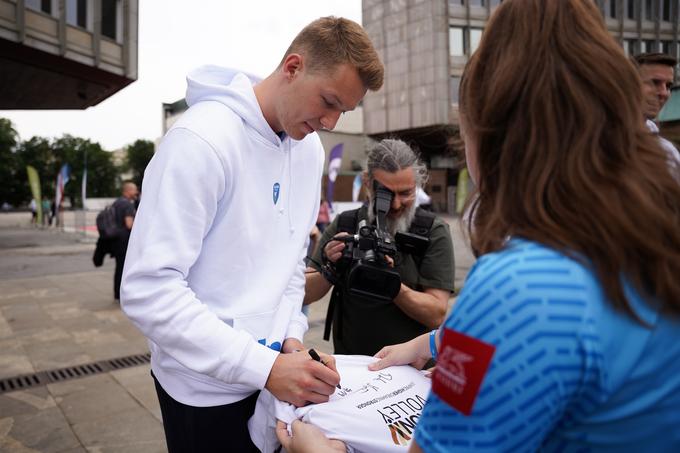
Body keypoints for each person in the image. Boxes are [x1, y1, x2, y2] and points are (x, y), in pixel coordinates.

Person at [283, 1, 680, 451]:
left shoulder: (516, 287)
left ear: (487, 137)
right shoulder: (655, 238)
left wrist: (316, 450)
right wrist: (435, 343)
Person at [120, 16, 383, 452]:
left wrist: (292, 338)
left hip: (273, 376)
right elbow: (149, 289)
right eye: (329, 101)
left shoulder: (308, 149)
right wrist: (263, 367)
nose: (332, 122)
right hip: (202, 390)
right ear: (293, 67)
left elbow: (290, 265)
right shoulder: (199, 140)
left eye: (344, 111)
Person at [304, 139, 455, 357]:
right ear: (367, 182)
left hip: (410, 368)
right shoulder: (346, 224)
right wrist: (332, 268)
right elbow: (304, 295)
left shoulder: (432, 230)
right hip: (352, 364)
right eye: (386, 193)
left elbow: (436, 314)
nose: (395, 204)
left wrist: (390, 283)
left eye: (406, 193)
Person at [633, 52, 680, 174]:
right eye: (655, 82)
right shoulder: (593, 138)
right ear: (628, 83)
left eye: (668, 86)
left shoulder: (667, 152)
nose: (664, 93)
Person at [112, 181, 138, 301]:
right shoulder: (127, 204)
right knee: (124, 268)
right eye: (134, 190)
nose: (136, 192)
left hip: (115, 239)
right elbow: (129, 224)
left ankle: (117, 293)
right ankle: (123, 294)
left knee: (118, 268)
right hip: (124, 240)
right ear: (128, 191)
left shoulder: (116, 202)